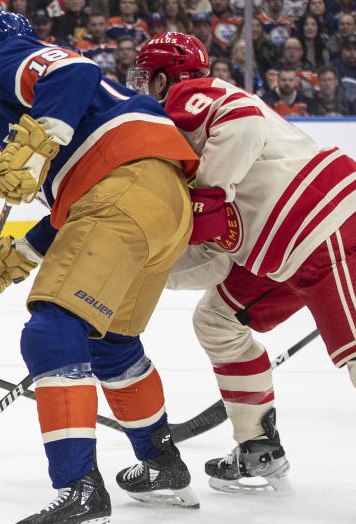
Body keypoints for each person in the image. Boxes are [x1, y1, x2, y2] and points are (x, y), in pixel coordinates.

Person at [0, 12, 200, 524]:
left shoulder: (7, 59)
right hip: (163, 203)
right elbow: (78, 200)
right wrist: (15, 259)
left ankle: (80, 496)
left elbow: (73, 69)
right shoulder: (84, 111)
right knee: (109, 342)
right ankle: (161, 463)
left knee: (52, 330)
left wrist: (46, 135)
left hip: (121, 188)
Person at [130, 31, 356, 493]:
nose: (144, 88)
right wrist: (137, 271)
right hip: (281, 252)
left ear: (162, 77)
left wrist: (208, 194)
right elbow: (212, 253)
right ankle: (258, 447)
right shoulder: (184, 138)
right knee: (217, 319)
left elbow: (244, 121)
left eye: (146, 78)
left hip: (327, 226)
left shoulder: (190, 95)